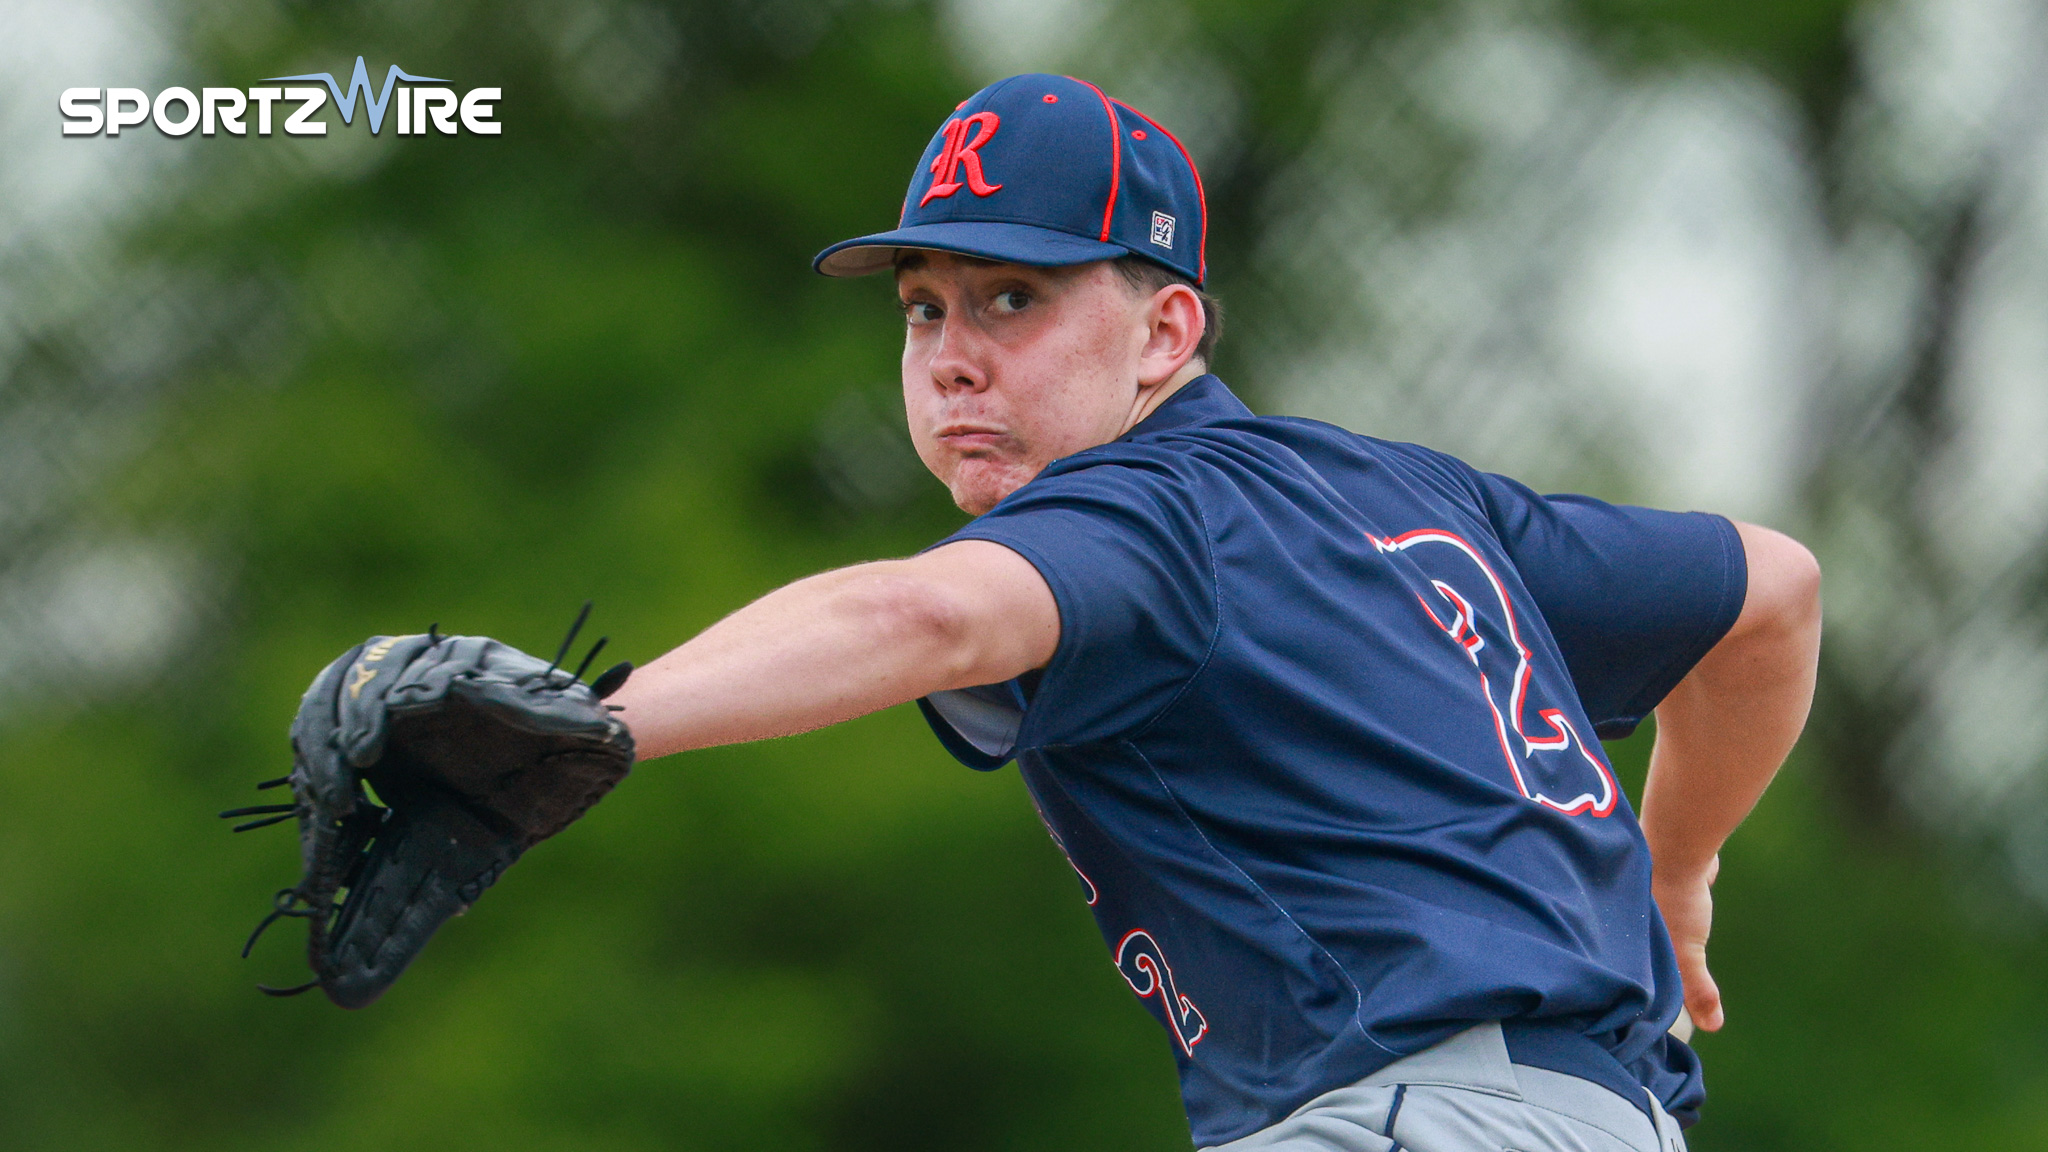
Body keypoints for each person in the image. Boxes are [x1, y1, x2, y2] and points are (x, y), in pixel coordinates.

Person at [607, 73, 1821, 1152]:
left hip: (1417, 1115)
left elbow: (925, 616)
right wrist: (1673, 866)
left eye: (1012, 298)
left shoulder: (1146, 511)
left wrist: (592, 721)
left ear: (1163, 331)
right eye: (925, 306)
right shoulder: (1409, 498)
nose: (949, 357)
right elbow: (1770, 593)